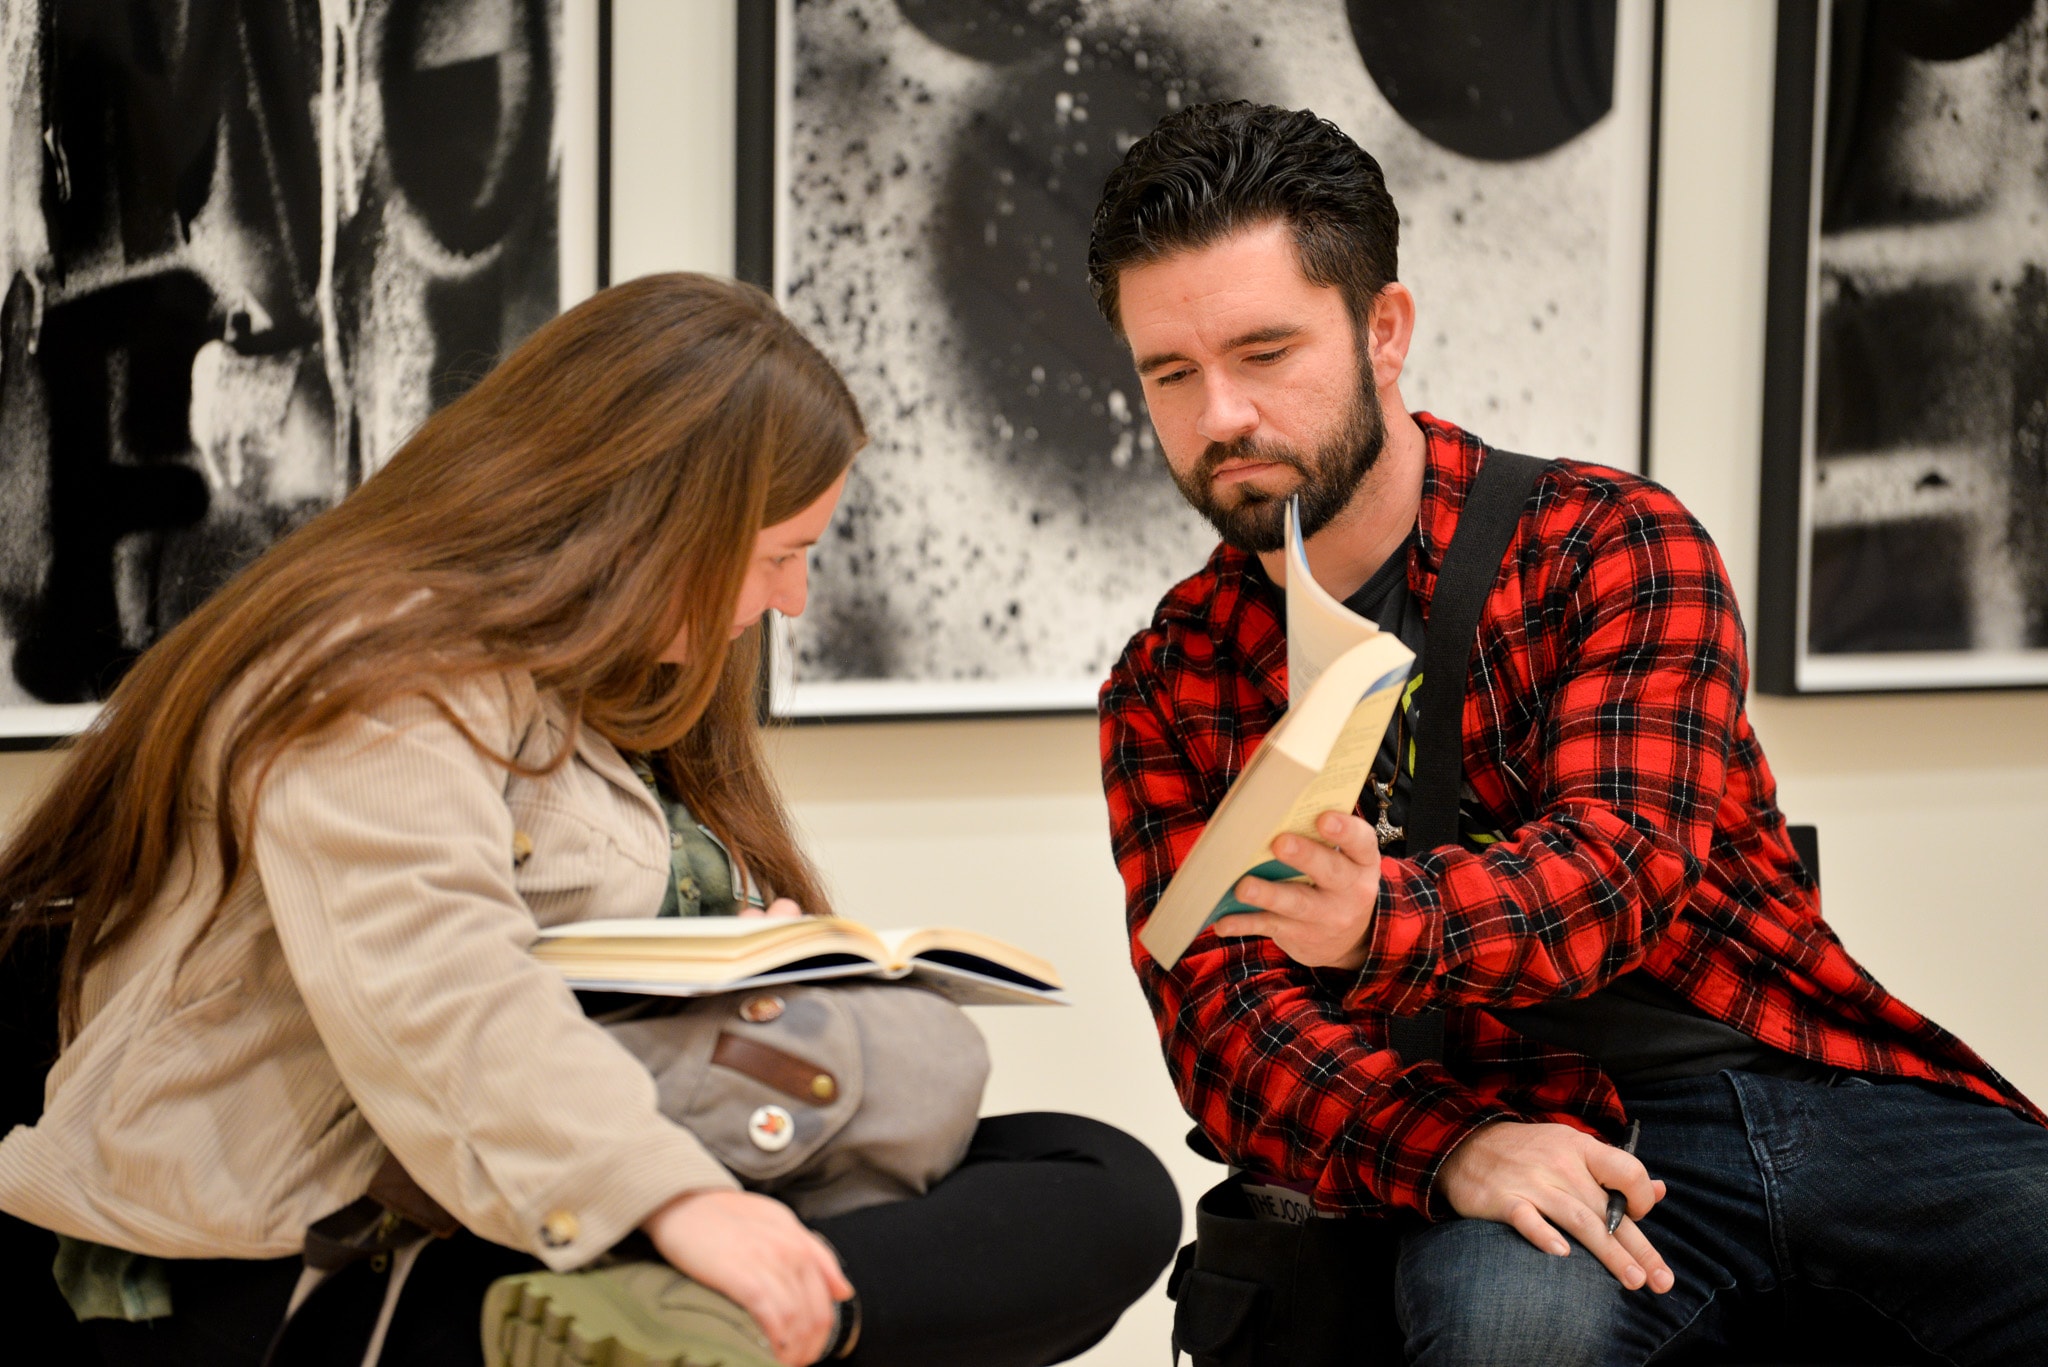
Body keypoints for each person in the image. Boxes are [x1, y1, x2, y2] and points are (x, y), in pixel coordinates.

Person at [0, 273, 1179, 1367]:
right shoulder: (373, 673)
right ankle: (725, 1319)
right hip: (325, 1258)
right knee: (1037, 1213)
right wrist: (675, 1201)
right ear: (659, 519)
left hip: (523, 1196)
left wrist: (736, 952)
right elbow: (437, 987)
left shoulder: (580, 680)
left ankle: (729, 1331)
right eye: (781, 555)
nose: (790, 599)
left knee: (1098, 1176)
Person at [1089, 102, 2048, 1364]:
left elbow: (1623, 864)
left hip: (1782, 1069)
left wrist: (1385, 921)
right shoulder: (1175, 673)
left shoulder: (1608, 541)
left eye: (1264, 352)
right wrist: (1448, 1149)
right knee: (1507, 1345)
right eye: (1171, 372)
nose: (1219, 416)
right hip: (1499, 1117)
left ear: (1384, 331)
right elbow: (1221, 1029)